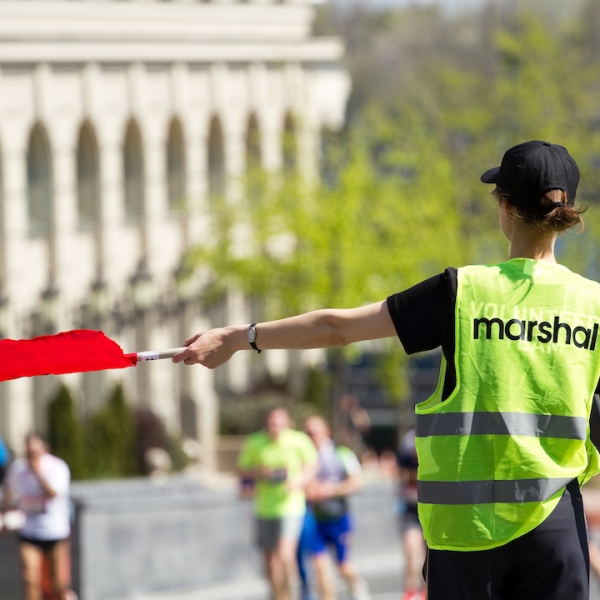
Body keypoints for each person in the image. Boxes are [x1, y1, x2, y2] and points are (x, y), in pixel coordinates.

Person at [174, 141, 600, 599]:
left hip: (469, 532)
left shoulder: (463, 291)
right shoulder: (593, 304)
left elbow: (338, 329)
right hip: (557, 527)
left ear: (505, 206)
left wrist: (242, 336)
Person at [237, 407, 318, 600]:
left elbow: (313, 465)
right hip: (265, 508)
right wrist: (260, 473)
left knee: (284, 556)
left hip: (291, 506)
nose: (275, 428)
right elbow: (242, 470)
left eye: (279, 423)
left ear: (287, 423)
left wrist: (299, 481)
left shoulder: (298, 440)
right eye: (272, 423)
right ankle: (277, 595)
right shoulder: (255, 442)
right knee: (270, 562)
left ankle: (291, 593)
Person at [298, 415, 370, 600]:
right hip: (315, 519)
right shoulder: (303, 458)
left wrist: (332, 490)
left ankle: (357, 585)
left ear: (326, 432)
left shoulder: (341, 454)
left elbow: (356, 481)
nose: (310, 436)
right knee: (319, 565)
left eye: (313, 432)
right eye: (307, 433)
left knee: (343, 566)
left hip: (339, 518)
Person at [2, 434, 72, 600]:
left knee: (55, 582)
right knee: (30, 578)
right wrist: (5, 515)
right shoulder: (18, 469)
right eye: (28, 452)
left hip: (54, 531)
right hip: (29, 531)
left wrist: (37, 473)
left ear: (44, 450)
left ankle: (66, 595)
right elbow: (8, 492)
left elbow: (54, 494)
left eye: (35, 452)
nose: (31, 456)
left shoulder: (57, 467)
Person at [396, 430, 425, 600]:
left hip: (432, 506)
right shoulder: (408, 440)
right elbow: (401, 472)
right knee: (411, 547)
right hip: (411, 506)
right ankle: (410, 589)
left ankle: (426, 590)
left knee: (430, 552)